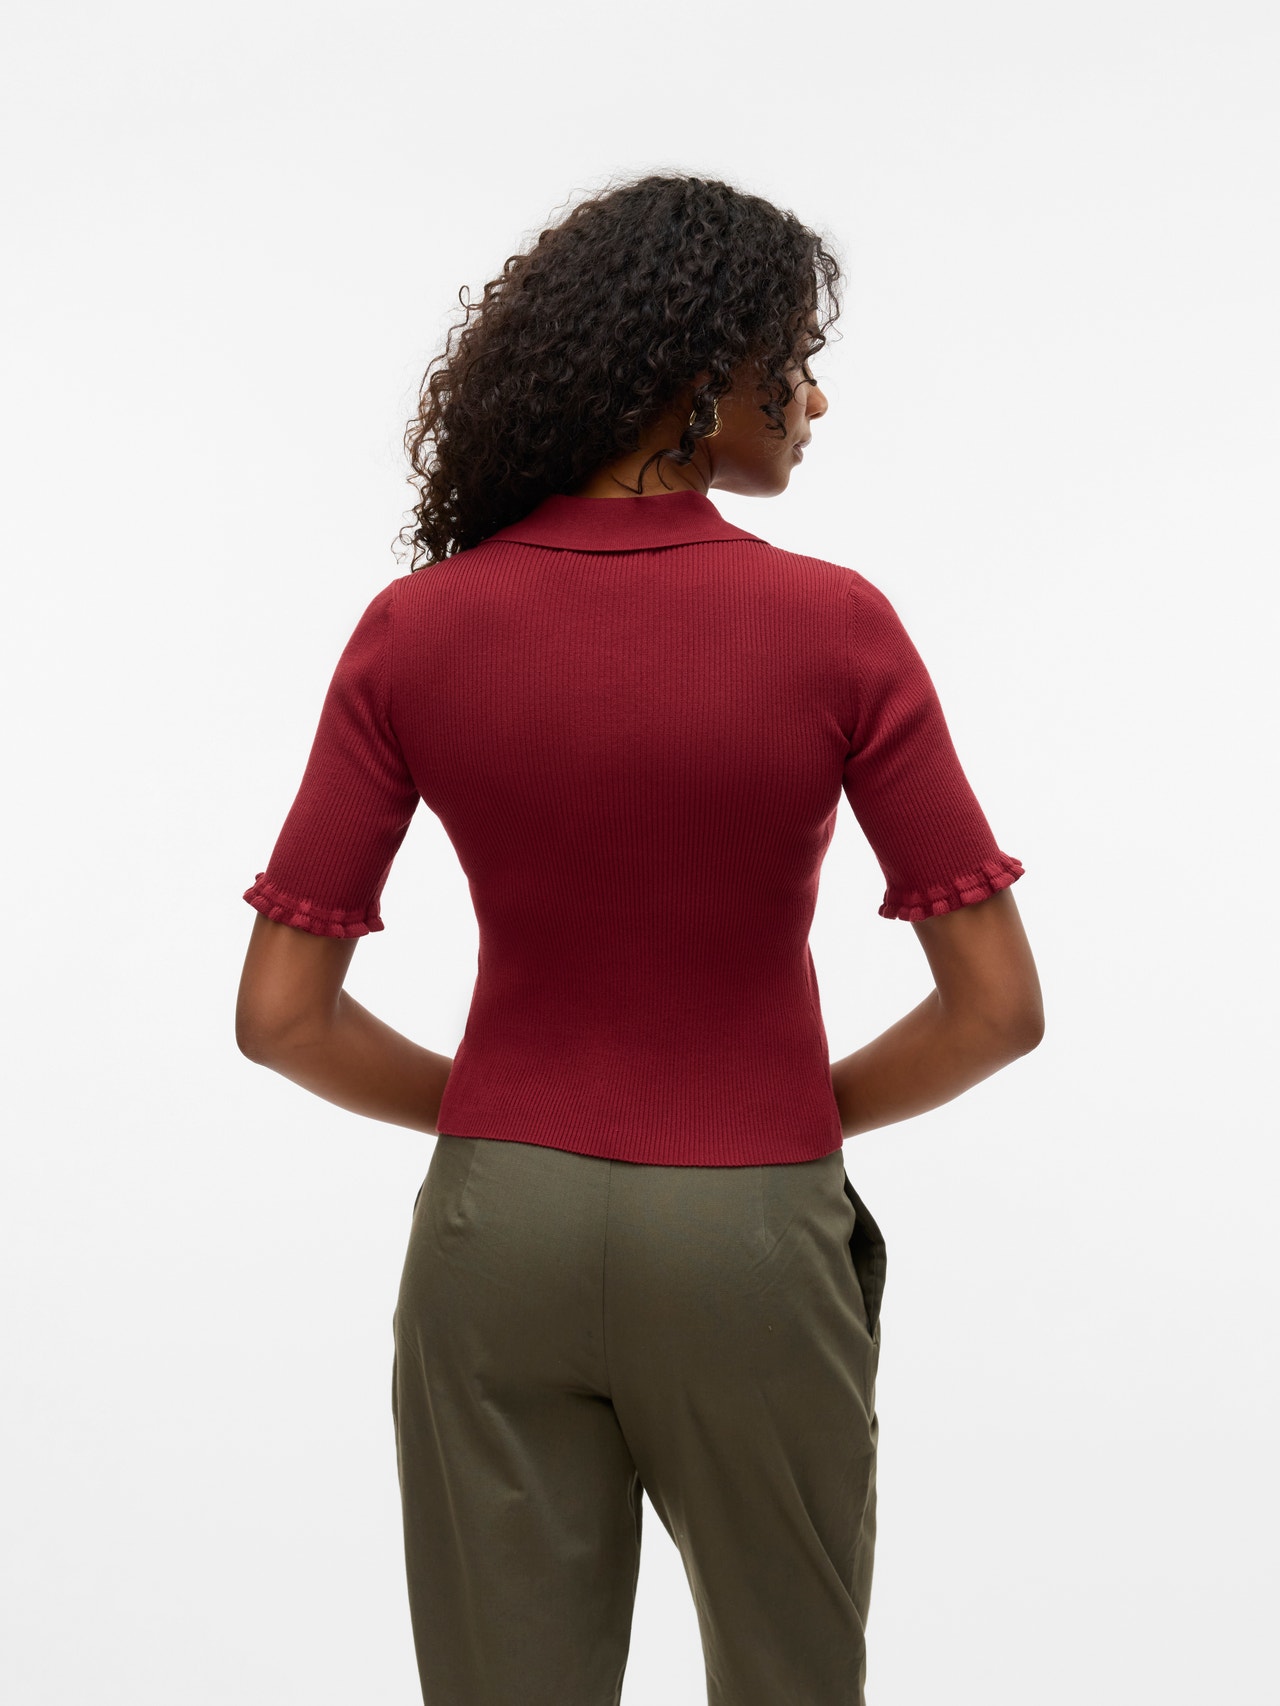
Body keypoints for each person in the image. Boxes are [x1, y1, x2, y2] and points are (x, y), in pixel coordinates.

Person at [235, 170, 1043, 1706]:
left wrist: (507, 1117)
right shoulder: (838, 626)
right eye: (791, 360)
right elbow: (997, 1007)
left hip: (496, 1234)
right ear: (697, 376)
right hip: (751, 1226)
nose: (814, 399)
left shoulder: (415, 629)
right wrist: (786, 1114)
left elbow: (280, 1015)